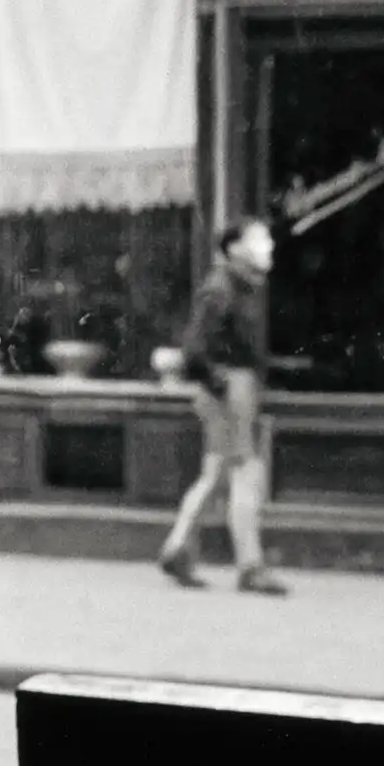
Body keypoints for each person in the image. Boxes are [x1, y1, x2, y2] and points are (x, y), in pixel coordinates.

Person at [158, 216, 289, 596]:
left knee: (216, 471)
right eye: (258, 240)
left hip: (228, 386)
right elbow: (195, 350)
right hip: (230, 387)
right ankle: (250, 566)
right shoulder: (222, 289)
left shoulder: (235, 287)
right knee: (247, 470)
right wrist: (226, 387)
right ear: (234, 249)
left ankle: (178, 547)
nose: (267, 247)